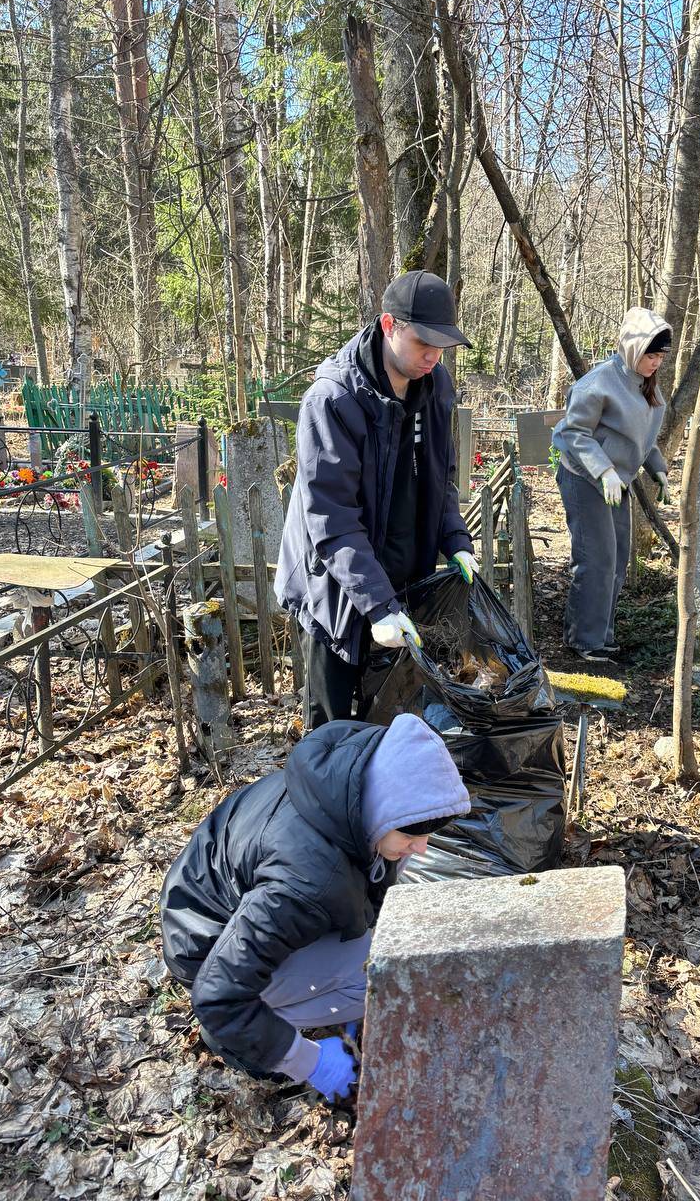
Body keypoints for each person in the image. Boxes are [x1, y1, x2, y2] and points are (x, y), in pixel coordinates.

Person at [160, 712, 471, 1101]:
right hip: (204, 952)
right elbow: (217, 995)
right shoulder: (306, 878)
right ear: (380, 807)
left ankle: (293, 1001)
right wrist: (308, 1061)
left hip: (225, 909)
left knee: (386, 947)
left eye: (428, 833)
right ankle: (240, 1040)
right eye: (411, 831)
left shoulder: (342, 790)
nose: (423, 847)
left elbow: (359, 886)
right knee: (380, 974)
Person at [275, 271, 479, 730]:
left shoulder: (436, 386)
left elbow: (440, 477)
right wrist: (378, 605)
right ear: (389, 325)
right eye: (423, 341)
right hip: (336, 587)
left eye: (443, 344)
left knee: (392, 716)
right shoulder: (333, 400)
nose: (433, 356)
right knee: (333, 727)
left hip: (404, 580)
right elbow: (331, 519)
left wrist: (455, 538)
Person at [551, 307, 672, 663]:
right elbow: (575, 432)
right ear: (633, 347)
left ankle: (601, 634)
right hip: (584, 477)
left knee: (617, 558)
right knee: (596, 558)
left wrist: (657, 469)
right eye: (650, 354)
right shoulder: (598, 383)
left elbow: (641, 437)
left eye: (661, 356)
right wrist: (603, 471)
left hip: (617, 482)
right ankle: (583, 640)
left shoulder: (646, 384)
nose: (656, 362)